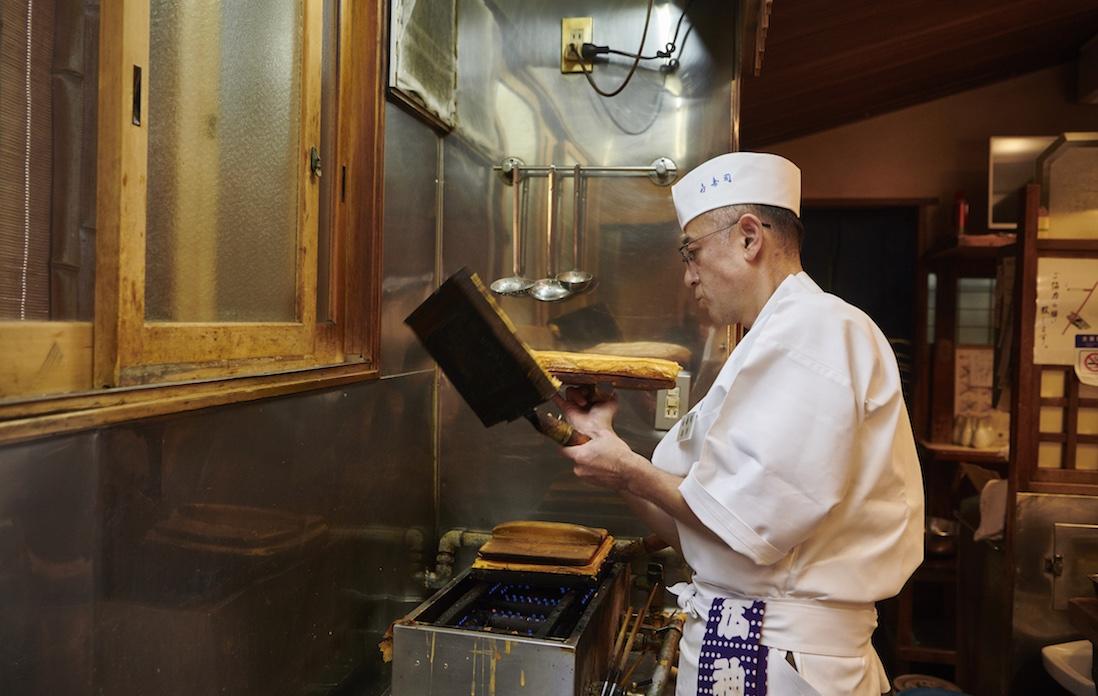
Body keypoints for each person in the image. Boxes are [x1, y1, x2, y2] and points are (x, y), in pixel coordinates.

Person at [558, 152, 925, 696]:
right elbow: (697, 533)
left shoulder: (817, 330)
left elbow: (744, 520)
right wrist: (608, 451)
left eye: (693, 252)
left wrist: (630, 470)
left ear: (750, 237)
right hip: (748, 638)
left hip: (775, 653)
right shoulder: (766, 342)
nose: (688, 275)